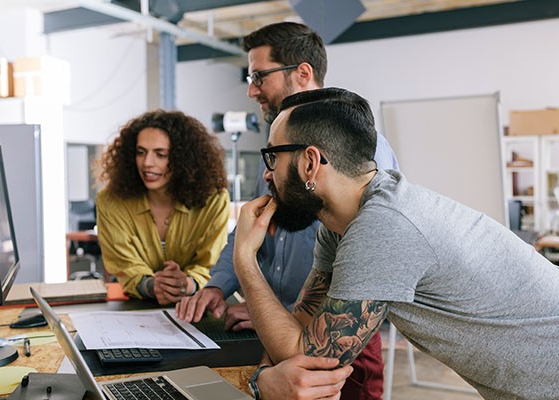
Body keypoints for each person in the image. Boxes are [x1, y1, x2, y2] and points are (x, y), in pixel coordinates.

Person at [233, 87, 559, 400]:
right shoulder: (341, 225)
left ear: (309, 163)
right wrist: (265, 377)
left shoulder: (383, 225)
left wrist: (245, 259)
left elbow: (307, 355)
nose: (267, 173)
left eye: (272, 156)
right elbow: (299, 336)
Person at [176, 22, 399, 400]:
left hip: (335, 345)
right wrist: (220, 285)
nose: (251, 90)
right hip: (278, 332)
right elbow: (254, 222)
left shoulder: (360, 152)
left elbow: (362, 272)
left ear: (303, 73)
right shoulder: (279, 145)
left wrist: (275, 313)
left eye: (259, 76)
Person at [96, 109, 230, 305]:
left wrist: (187, 284)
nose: (147, 163)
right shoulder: (110, 201)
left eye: (161, 154)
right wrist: (152, 286)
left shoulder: (214, 200)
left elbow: (210, 263)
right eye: (140, 153)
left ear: (183, 159)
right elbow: (125, 266)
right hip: (136, 309)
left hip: (198, 305)